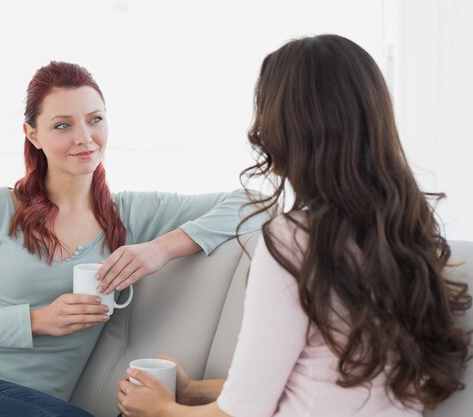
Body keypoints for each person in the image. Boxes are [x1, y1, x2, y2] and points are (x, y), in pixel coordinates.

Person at [117, 34, 471, 417]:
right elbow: (326, 383)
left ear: (288, 129)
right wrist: (193, 390)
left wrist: (161, 409)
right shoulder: (408, 232)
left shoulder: (294, 240)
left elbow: (241, 413)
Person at [0, 61, 262, 417]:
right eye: (63, 125)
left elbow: (257, 201)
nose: (84, 138)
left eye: (95, 120)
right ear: (32, 134)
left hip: (39, 407)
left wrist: (159, 250)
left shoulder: (129, 215)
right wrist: (37, 320)